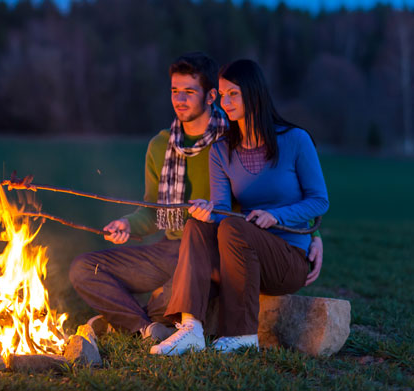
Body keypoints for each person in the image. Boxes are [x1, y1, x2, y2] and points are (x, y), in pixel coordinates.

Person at [70, 52, 325, 340]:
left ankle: (140, 321)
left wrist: (314, 236)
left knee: (171, 298)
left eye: (189, 92)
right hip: (172, 245)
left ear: (209, 96)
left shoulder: (233, 136)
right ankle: (146, 326)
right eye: (174, 91)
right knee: (83, 269)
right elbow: (153, 209)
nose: (179, 99)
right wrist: (128, 225)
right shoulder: (161, 145)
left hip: (218, 250)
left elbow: (281, 196)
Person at [151, 59, 329, 355]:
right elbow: (222, 211)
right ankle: (191, 328)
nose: (225, 102)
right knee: (196, 224)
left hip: (287, 260)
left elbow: (319, 200)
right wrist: (209, 211)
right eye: (222, 95)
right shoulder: (221, 150)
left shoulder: (295, 140)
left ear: (253, 93)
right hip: (241, 259)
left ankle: (242, 335)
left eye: (233, 94)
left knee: (234, 226)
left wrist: (277, 216)